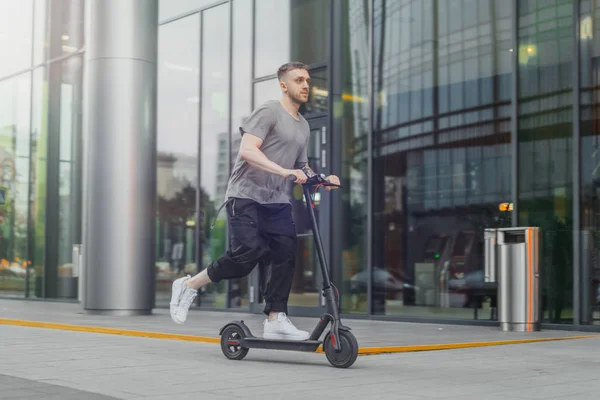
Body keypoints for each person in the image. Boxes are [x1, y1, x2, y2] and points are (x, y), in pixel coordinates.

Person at [169, 61, 340, 341]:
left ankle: (275, 317)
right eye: (299, 80)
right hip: (245, 195)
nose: (306, 85)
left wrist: (321, 179)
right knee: (248, 253)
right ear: (284, 85)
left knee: (286, 251)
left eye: (308, 80)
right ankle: (189, 285)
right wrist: (284, 171)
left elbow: (302, 165)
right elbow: (248, 151)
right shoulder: (269, 111)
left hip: (276, 200)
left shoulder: (304, 126)